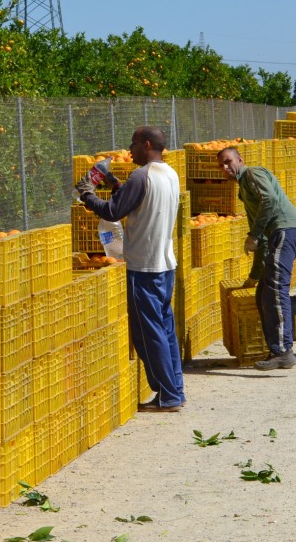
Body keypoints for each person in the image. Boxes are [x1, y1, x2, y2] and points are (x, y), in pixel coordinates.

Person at [77, 126, 185, 412]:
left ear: (146, 144)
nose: (129, 148)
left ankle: (167, 394)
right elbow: (140, 201)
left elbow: (113, 212)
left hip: (144, 267)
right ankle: (175, 389)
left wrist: (87, 194)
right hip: (165, 264)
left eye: (134, 143)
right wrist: (113, 183)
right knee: (165, 329)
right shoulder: (169, 173)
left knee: (149, 333)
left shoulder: (141, 175)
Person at [216, 145, 296, 371]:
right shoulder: (244, 190)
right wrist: (254, 277)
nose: (225, 167)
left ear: (240, 159)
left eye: (228, 161)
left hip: (287, 231)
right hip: (281, 234)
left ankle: (283, 351)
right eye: (221, 165)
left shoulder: (251, 174)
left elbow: (269, 202)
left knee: (276, 289)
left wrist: (254, 235)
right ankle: (276, 349)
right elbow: (262, 244)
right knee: (264, 293)